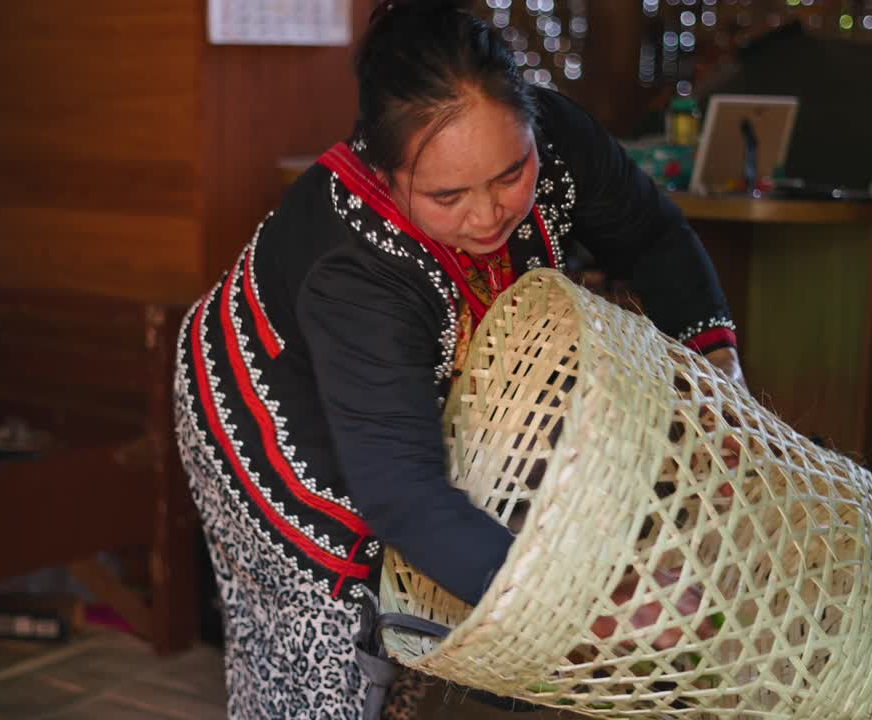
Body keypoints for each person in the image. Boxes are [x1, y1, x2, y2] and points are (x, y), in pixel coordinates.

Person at [174, 1, 741, 717]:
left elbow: (655, 238)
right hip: (275, 416)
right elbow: (403, 495)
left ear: (531, 122)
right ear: (384, 173)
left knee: (422, 634)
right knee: (333, 650)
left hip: (416, 400)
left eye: (510, 175)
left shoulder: (557, 137)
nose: (489, 215)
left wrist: (721, 379)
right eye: (447, 195)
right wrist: (588, 611)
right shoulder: (354, 271)